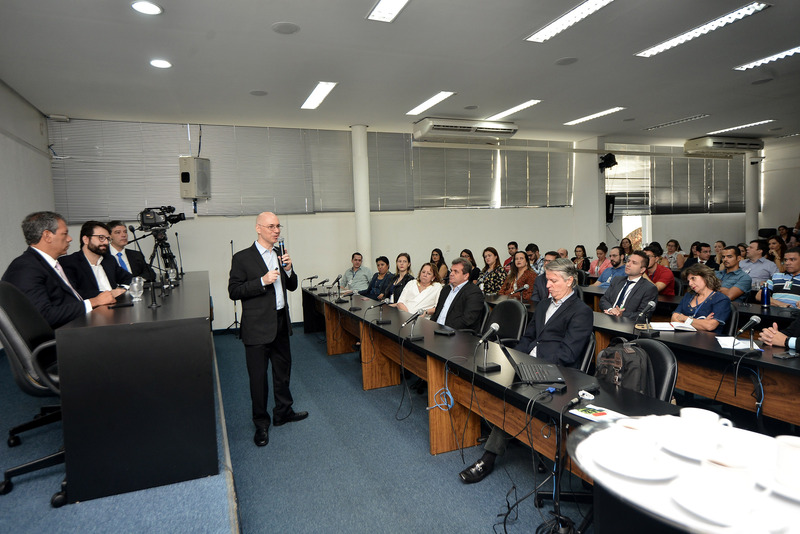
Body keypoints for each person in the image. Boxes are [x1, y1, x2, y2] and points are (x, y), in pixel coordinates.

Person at [458, 258, 592, 484]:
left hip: (557, 374)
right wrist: (517, 360)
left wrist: (534, 365)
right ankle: (506, 430)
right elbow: (528, 337)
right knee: (491, 379)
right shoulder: (544, 305)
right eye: (547, 280)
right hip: (529, 365)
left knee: (512, 398)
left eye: (553, 281)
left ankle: (488, 458)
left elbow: (568, 354)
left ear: (570, 281)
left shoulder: (581, 311)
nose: (547, 285)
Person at [227, 211, 307, 448]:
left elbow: (291, 286)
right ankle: (261, 423)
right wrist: (261, 281)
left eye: (278, 226)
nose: (276, 230)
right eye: (271, 226)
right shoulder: (242, 258)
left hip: (280, 323)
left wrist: (289, 269)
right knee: (258, 378)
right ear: (258, 228)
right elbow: (234, 291)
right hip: (256, 328)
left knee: (283, 372)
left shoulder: (280, 254)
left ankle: (283, 412)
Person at [2, 211, 116, 329]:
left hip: (79, 326)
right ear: (47, 236)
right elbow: (43, 316)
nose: (69, 239)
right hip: (64, 336)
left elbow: (69, 299)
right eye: (65, 234)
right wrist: (94, 302)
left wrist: (101, 297)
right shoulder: (26, 267)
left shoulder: (49, 264)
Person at [60, 220, 131, 299]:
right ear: (86, 239)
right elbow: (74, 293)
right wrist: (110, 294)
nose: (106, 242)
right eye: (101, 238)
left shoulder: (109, 260)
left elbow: (128, 278)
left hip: (118, 304)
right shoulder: (69, 262)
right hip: (93, 306)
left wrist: (121, 289)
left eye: (108, 238)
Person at [671, 264, 731, 334]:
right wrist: (702, 322)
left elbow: (709, 326)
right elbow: (674, 318)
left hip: (707, 339)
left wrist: (684, 318)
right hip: (683, 336)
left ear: (705, 277)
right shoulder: (688, 295)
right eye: (688, 281)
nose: (690, 284)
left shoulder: (721, 299)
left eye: (693, 278)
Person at [429, 258, 484, 332]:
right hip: (437, 330)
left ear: (466, 276)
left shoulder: (474, 292)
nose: (451, 274)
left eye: (456, 271)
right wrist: (430, 326)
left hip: (457, 334)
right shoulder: (446, 289)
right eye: (451, 270)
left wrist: (444, 330)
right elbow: (437, 313)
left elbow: (468, 320)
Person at [600, 251, 659, 319]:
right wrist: (611, 309)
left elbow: (644, 315)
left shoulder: (649, 288)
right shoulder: (617, 280)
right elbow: (604, 300)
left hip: (628, 323)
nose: (628, 264)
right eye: (628, 261)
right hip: (608, 318)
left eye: (634, 263)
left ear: (642, 270)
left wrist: (621, 314)